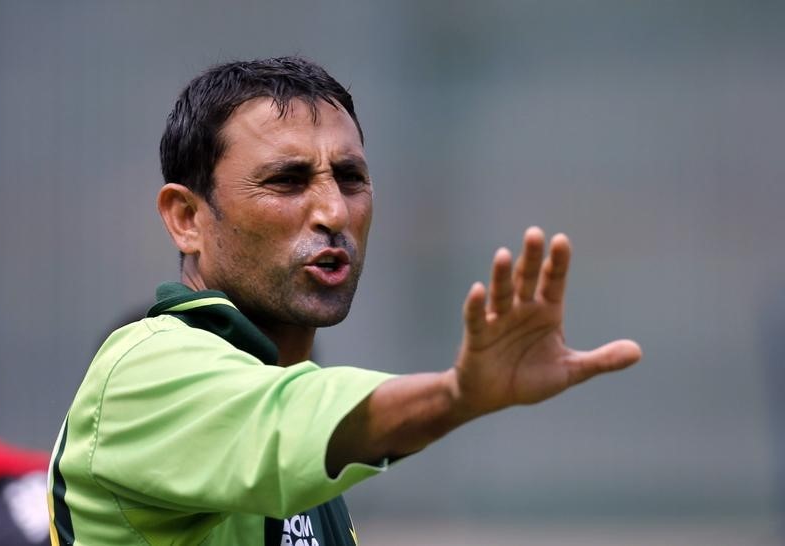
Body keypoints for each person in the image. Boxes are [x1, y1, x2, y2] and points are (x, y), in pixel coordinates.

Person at [47, 57, 641, 545]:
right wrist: (457, 395)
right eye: (287, 180)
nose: (334, 212)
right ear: (186, 218)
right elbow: (289, 420)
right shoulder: (145, 369)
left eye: (351, 178)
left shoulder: (300, 413)